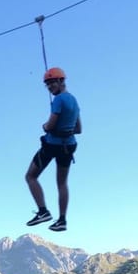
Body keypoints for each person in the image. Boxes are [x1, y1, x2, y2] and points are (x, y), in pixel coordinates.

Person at [25, 66, 81, 232]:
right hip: (68, 146)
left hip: (52, 145)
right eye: (47, 84)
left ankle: (43, 211)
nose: (50, 87)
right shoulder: (74, 101)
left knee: (30, 176)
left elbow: (49, 126)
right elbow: (78, 129)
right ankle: (62, 220)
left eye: (52, 83)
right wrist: (65, 129)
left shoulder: (58, 101)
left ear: (61, 81)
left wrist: (45, 125)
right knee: (62, 183)